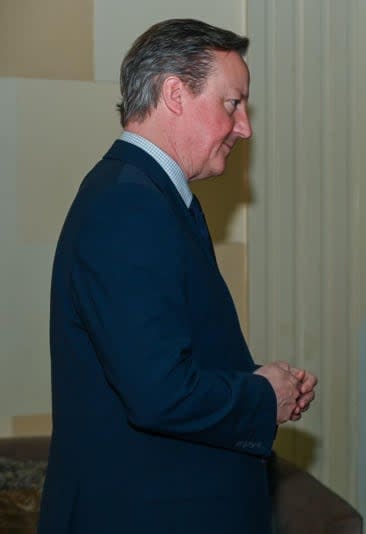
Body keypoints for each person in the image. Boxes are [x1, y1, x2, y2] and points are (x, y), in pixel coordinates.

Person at [40, 19, 316, 534]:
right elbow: (157, 393)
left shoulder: (144, 194)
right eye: (232, 104)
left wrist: (254, 380)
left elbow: (166, 357)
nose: (245, 127)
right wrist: (261, 398)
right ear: (174, 94)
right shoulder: (130, 204)